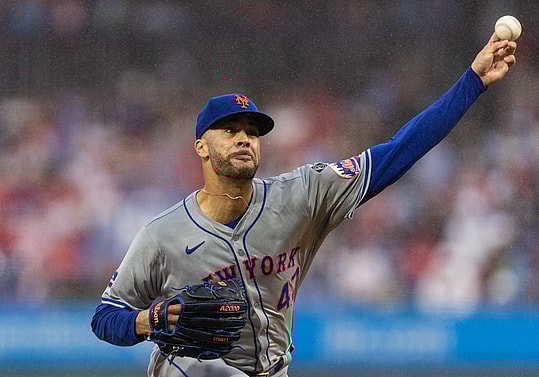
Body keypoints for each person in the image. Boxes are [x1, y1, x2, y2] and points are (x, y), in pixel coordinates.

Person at [91, 33, 517, 377]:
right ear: (201, 147)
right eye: (230, 130)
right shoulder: (162, 235)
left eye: (252, 132)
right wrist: (152, 320)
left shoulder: (302, 195)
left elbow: (397, 152)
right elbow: (105, 317)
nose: (244, 139)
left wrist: (473, 82)